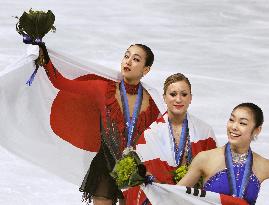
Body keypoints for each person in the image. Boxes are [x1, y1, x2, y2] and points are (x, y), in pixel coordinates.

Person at [38, 43, 162, 205]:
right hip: (105, 166)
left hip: (133, 169)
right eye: (126, 56)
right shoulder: (103, 90)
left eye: (136, 59)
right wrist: (45, 58)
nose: (128, 61)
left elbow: (161, 137)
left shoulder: (153, 103)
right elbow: (61, 83)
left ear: (145, 70)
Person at [124, 73, 217, 205]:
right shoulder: (150, 134)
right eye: (173, 94)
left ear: (190, 98)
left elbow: (214, 172)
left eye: (184, 94)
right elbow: (141, 181)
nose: (178, 99)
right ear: (164, 98)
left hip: (192, 199)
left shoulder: (205, 132)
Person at [177, 102, 269, 205]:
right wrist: (156, 189)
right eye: (231, 120)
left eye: (242, 123)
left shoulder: (265, 166)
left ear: (257, 130)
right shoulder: (205, 158)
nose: (234, 127)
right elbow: (174, 195)